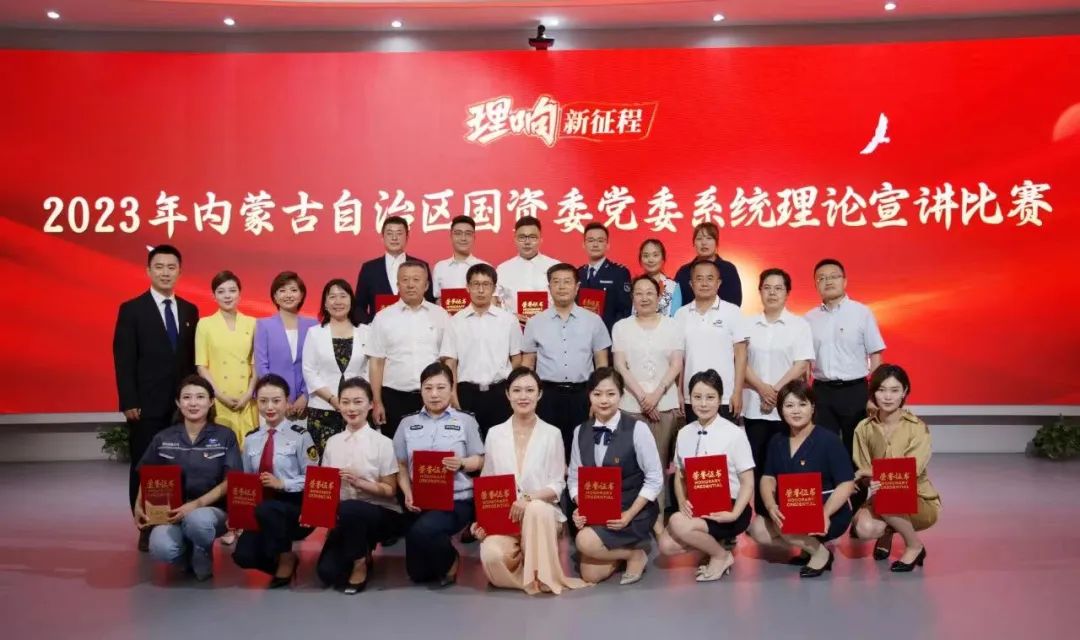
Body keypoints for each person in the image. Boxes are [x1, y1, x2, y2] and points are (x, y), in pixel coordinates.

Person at [470, 367, 588, 595]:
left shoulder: (552, 434)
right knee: (491, 555)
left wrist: (528, 498)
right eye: (517, 390)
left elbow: (558, 484)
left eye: (529, 390)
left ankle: (541, 572)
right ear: (507, 394)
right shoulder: (494, 434)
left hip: (543, 515)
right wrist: (482, 521)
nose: (523, 396)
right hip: (506, 518)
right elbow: (488, 481)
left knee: (536, 509)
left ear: (539, 394)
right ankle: (529, 573)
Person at [113, 244, 198, 550]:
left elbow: (191, 361)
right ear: (148, 271)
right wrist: (129, 401)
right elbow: (124, 360)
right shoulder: (132, 309)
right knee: (147, 465)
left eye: (171, 267)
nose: (165, 272)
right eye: (159, 267)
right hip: (146, 406)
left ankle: (177, 522)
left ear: (180, 271)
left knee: (181, 464)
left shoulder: (189, 310)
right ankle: (147, 525)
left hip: (184, 407)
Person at [133, 375, 241, 580]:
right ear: (177, 402)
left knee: (198, 522)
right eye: (187, 397)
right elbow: (148, 474)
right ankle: (185, 552)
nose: (193, 403)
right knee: (161, 548)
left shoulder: (225, 436)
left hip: (211, 512)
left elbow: (231, 480)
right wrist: (139, 505)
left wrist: (195, 505)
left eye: (200, 397)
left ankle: (201, 549)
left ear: (211, 401)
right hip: (171, 512)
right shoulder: (163, 438)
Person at [749, 380, 856, 578]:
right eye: (789, 405)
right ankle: (808, 546)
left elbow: (846, 483)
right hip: (791, 508)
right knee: (758, 529)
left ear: (812, 407)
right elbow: (768, 478)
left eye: (802, 404)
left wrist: (825, 513)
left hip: (828, 509)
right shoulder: (777, 440)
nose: (796, 411)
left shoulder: (829, 440)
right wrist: (771, 506)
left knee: (787, 526)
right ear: (781, 410)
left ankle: (821, 554)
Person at [568, 368, 663, 585]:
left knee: (584, 541)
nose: (604, 400)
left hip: (632, 510)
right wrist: (581, 506)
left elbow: (655, 478)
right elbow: (574, 477)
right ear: (589, 395)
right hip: (598, 511)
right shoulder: (580, 431)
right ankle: (629, 552)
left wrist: (628, 514)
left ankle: (630, 552)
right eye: (597, 394)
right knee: (590, 575)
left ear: (621, 395)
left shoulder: (638, 429)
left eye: (611, 394)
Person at [659, 370, 755, 582]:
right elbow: (680, 475)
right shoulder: (684, 433)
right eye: (697, 397)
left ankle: (721, 556)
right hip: (698, 505)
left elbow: (748, 482)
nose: (703, 404)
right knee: (666, 545)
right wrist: (682, 501)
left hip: (729, 507)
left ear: (720, 399)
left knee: (676, 522)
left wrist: (734, 514)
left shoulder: (734, 434)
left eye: (710, 397)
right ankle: (717, 545)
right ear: (689, 398)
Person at [394, 362, 485, 585]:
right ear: (421, 390)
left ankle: (451, 559)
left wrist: (461, 463)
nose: (434, 394)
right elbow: (401, 465)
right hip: (420, 500)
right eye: (428, 388)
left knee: (422, 531)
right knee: (418, 574)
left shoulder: (466, 421)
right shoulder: (407, 423)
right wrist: (407, 492)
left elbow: (480, 460)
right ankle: (436, 552)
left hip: (456, 500)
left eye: (441, 387)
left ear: (452, 388)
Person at [611, 274, 685, 536]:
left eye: (649, 293)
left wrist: (656, 395)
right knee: (631, 467)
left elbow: (676, 364)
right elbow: (620, 366)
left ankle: (659, 520)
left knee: (659, 465)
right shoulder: (621, 327)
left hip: (664, 405)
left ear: (659, 297)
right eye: (639, 293)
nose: (644, 298)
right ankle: (632, 520)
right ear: (632, 297)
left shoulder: (673, 326)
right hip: (630, 405)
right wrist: (644, 397)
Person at [317, 377, 402, 594]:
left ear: (371, 404)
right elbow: (326, 489)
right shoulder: (333, 443)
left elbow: (390, 490)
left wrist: (360, 483)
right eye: (345, 402)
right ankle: (361, 550)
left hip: (379, 512)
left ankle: (359, 564)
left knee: (350, 508)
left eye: (358, 402)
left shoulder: (383, 443)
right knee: (327, 573)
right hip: (345, 517)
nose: (351, 408)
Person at [851, 364, 939, 572]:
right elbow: (863, 469)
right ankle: (889, 533)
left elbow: (910, 472)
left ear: (904, 392)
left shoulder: (917, 428)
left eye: (894, 390)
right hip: (881, 497)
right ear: (873, 393)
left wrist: (868, 472)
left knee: (890, 493)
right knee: (863, 528)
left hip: (919, 499)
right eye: (881, 390)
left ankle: (914, 546)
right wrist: (868, 479)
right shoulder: (863, 428)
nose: (888, 397)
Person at [232, 374, 317, 587]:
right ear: (256, 403)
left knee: (268, 510)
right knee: (243, 556)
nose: (269, 407)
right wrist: (239, 515)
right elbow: (246, 481)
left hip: (293, 507)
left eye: (276, 400)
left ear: (287, 401)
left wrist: (283, 483)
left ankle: (285, 557)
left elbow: (313, 479)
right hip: (261, 509)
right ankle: (280, 558)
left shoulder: (301, 436)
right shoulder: (251, 439)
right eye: (263, 401)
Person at [742, 268, 814, 516]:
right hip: (755, 407)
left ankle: (793, 516)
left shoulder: (799, 325)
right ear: (760, 291)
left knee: (789, 463)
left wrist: (774, 392)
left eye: (778, 288)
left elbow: (801, 364)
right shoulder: (747, 324)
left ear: (787, 293)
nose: (772, 293)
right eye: (767, 288)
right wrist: (762, 389)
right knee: (760, 463)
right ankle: (764, 516)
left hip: (789, 408)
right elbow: (741, 362)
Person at [522, 263, 611, 460]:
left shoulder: (593, 321)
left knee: (583, 451)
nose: (561, 287)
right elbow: (527, 366)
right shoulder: (535, 322)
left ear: (577, 287)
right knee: (546, 453)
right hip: (547, 397)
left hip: (583, 396)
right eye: (556, 282)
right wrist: (528, 398)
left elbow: (602, 365)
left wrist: (598, 398)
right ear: (549, 287)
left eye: (567, 282)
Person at [805, 258, 886, 457]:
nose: (828, 281)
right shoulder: (809, 318)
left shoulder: (862, 312)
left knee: (856, 449)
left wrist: (874, 395)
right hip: (822, 392)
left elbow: (875, 355)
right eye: (822, 278)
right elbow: (805, 361)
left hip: (855, 391)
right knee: (824, 449)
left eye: (834, 276)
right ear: (816, 285)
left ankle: (856, 480)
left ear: (845, 281)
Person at [368, 260, 452, 439]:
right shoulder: (383, 317)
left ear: (426, 285)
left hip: (433, 397)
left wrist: (450, 395)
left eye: (416, 279)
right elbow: (376, 362)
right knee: (396, 450)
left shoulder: (440, 315)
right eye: (405, 280)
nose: (410, 284)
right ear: (398, 285)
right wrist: (377, 402)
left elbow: (448, 359)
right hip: (394, 398)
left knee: (433, 447)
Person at [440, 263, 522, 439]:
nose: (481, 290)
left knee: (500, 445)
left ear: (494, 288)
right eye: (476, 284)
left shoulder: (508, 320)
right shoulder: (455, 321)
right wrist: (453, 395)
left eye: (486, 284)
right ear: (467, 287)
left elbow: (516, 358)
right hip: (467, 394)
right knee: (468, 445)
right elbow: (450, 362)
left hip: (500, 393)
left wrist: (511, 391)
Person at [674, 260, 748, 424]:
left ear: (718, 283)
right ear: (691, 284)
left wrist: (737, 392)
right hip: (692, 396)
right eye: (699, 279)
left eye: (710, 278)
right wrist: (678, 392)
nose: (704, 283)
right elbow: (679, 359)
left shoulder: (733, 312)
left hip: (725, 397)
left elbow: (741, 356)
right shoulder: (681, 314)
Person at [302, 279, 370, 454]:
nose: (338, 301)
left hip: (357, 409)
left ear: (351, 301)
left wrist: (355, 399)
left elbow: (369, 369)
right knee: (324, 461)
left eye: (343, 296)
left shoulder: (365, 331)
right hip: (323, 408)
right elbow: (309, 371)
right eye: (332, 297)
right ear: (325, 303)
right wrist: (333, 399)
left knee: (357, 458)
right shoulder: (315, 333)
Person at [195, 270, 257, 447]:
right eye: (221, 291)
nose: (227, 296)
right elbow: (201, 365)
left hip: (246, 398)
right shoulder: (205, 324)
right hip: (218, 397)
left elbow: (255, 364)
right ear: (214, 296)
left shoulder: (252, 323)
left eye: (232, 290)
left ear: (240, 293)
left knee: (249, 449)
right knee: (219, 449)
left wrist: (248, 394)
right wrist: (219, 395)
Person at [254, 271, 318, 421]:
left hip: (305, 404)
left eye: (293, 290)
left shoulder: (313, 325)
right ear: (275, 296)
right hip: (272, 402)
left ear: (301, 295)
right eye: (282, 290)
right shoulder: (264, 325)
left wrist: (305, 395)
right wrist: (280, 398)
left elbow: (317, 365)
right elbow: (262, 366)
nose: (288, 295)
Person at [352, 215, 433, 324]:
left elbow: (430, 302)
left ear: (407, 237)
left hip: (415, 327)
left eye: (399, 233)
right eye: (389, 233)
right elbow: (359, 307)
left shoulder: (421, 266)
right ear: (382, 237)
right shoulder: (369, 268)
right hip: (378, 330)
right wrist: (370, 326)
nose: (394, 238)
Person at [495, 216, 559, 321]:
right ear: (515, 239)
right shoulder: (502, 269)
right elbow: (494, 302)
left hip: (550, 325)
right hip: (513, 326)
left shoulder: (555, 267)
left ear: (540, 239)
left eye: (533, 237)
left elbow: (565, 299)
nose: (527, 242)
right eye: (522, 237)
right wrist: (511, 317)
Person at [577, 222, 632, 333]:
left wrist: (613, 333)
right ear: (584, 244)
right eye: (591, 240)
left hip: (608, 335)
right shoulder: (578, 273)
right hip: (581, 335)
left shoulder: (619, 272)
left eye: (600, 240)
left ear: (607, 245)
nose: (595, 244)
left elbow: (625, 311)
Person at [673, 221, 742, 307]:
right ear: (693, 243)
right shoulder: (684, 271)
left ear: (716, 242)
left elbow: (734, 303)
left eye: (709, 238)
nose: (704, 243)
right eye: (699, 239)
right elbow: (675, 302)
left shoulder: (728, 269)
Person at [432, 215, 488, 302]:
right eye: (458, 233)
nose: (463, 238)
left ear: (474, 237)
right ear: (451, 236)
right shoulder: (440, 267)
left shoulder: (485, 267)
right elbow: (436, 299)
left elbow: (491, 299)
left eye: (468, 234)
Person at [637, 238, 682, 317]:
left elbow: (675, 317)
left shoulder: (673, 286)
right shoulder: (635, 285)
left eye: (655, 255)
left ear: (663, 259)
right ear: (640, 259)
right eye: (646, 256)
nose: (650, 260)